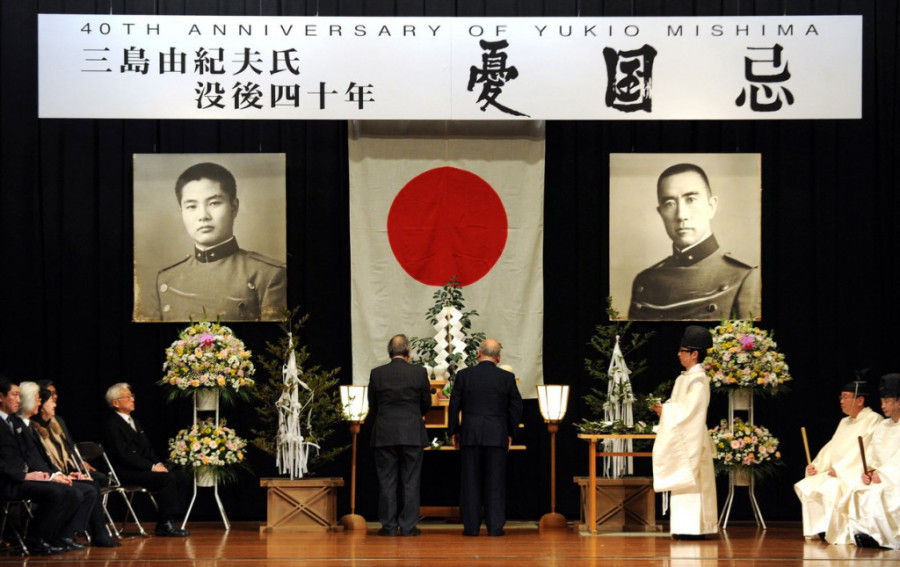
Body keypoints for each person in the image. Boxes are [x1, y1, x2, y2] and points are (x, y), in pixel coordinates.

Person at [155, 161, 286, 321]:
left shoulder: (269, 275)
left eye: (214, 203)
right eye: (191, 206)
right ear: (182, 212)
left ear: (234, 207)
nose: (203, 216)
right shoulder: (167, 279)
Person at [628, 163, 760, 320]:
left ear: (711, 206)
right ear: (661, 212)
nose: (681, 215)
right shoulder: (645, 281)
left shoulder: (744, 275)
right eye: (670, 204)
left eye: (690, 199)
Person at [16, 382, 118, 548]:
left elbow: (53, 457)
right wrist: (55, 475)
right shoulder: (26, 426)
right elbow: (34, 461)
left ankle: (68, 535)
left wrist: (63, 474)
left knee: (91, 485)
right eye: (40, 399)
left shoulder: (51, 423)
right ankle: (46, 537)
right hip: (30, 477)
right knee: (79, 490)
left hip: (51, 472)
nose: (53, 402)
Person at [448, 339, 523, 537]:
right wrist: (510, 432)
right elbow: (516, 408)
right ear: (498, 357)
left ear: (479, 354)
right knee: (495, 483)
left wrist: (455, 431)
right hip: (496, 435)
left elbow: (454, 406)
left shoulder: (464, 375)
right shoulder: (507, 378)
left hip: (470, 434)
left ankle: (471, 528)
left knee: (470, 483)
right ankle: (495, 528)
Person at [0, 375, 81, 555]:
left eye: (20, 396)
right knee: (55, 492)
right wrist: (24, 475)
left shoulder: (13, 422)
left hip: (20, 480)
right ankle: (34, 540)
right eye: (14, 395)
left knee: (68, 490)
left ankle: (47, 537)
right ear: (1, 397)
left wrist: (49, 475)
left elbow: (28, 455)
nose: (19, 400)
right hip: (7, 482)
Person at [651, 325, 718, 540]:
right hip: (683, 439)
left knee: (694, 483)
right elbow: (678, 406)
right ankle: (682, 528)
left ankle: (696, 529)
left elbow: (692, 414)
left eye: (683, 351)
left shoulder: (698, 381)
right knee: (682, 484)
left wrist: (669, 411)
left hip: (693, 440)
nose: (679, 355)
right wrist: (665, 409)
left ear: (694, 354)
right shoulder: (684, 378)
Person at [794, 379, 882, 540]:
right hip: (837, 471)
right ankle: (821, 529)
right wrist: (817, 466)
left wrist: (841, 469)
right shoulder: (844, 422)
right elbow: (832, 447)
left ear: (860, 400)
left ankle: (835, 532)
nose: (842, 401)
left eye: (846, 397)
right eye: (841, 398)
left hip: (853, 473)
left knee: (829, 488)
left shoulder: (873, 419)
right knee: (807, 486)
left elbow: (866, 450)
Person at [102, 383, 190, 537]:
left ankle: (168, 519)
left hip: (143, 469)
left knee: (182, 476)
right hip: (126, 472)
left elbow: (147, 449)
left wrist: (157, 463)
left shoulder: (135, 422)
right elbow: (124, 455)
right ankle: (165, 524)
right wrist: (151, 467)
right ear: (115, 402)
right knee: (167, 479)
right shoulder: (112, 424)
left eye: (132, 396)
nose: (132, 400)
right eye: (128, 397)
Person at [367, 334, 431, 536]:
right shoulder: (419, 372)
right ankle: (409, 527)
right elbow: (426, 404)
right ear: (408, 352)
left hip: (385, 432)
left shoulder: (377, 373)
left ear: (389, 352)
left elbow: (373, 405)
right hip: (412, 432)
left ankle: (388, 527)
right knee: (411, 481)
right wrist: (414, 416)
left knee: (387, 481)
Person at [826, 373, 900, 549]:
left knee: (876, 494)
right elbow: (873, 456)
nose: (882, 406)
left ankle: (887, 538)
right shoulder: (884, 426)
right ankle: (866, 533)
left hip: (894, 479)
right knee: (859, 489)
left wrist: (883, 475)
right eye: (881, 401)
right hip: (882, 476)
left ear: (899, 401)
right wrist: (870, 471)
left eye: (887, 401)